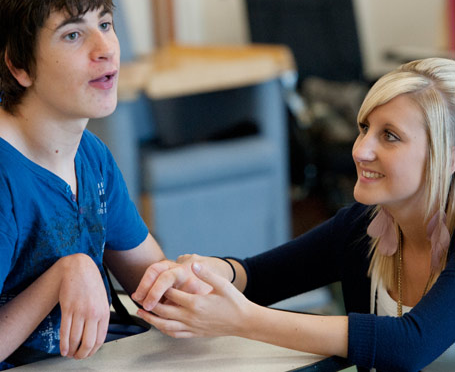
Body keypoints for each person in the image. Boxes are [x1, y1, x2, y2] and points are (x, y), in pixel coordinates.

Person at [132, 57, 455, 372]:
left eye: (390, 136)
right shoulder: (363, 226)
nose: (360, 150)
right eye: (365, 128)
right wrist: (206, 272)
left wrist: (244, 319)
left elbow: (410, 344)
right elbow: (257, 277)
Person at [0, 0, 204, 369]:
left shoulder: (92, 156)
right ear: (19, 67)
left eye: (106, 25)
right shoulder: (5, 177)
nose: (105, 48)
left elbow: (152, 285)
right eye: (73, 34)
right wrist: (62, 276)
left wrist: (188, 281)